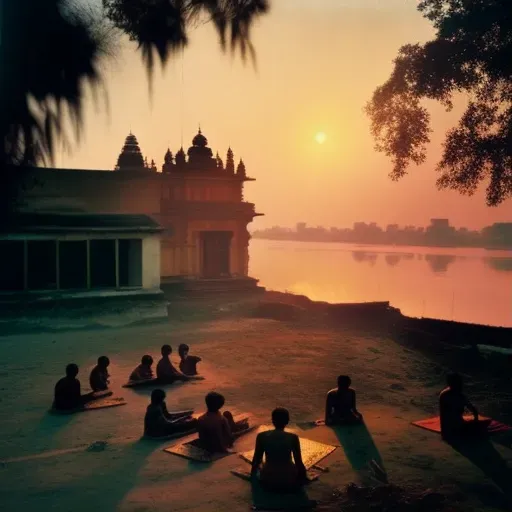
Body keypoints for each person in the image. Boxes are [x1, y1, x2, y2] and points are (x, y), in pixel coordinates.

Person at [251, 408, 308, 493]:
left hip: (268, 478)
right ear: (287, 421)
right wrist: (303, 479)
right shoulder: (293, 437)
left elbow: (256, 460)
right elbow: (298, 462)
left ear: (272, 421)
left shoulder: (261, 436)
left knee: (262, 464)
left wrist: (252, 477)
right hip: (289, 478)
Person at [439, 373, 491, 441]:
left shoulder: (443, 394)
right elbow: (473, 410)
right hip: (456, 431)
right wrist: (475, 421)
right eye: (460, 383)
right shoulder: (460, 396)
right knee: (485, 424)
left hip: (445, 431)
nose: (461, 385)